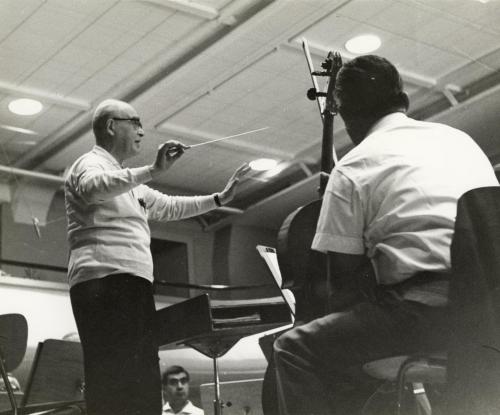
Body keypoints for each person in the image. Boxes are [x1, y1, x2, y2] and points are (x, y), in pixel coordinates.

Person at [273, 55, 499, 415]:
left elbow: (342, 289)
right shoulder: (460, 141)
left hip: (430, 315)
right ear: (403, 99)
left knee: (293, 349)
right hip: (490, 313)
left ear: (346, 116)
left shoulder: (352, 167)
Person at [65, 99, 250, 415]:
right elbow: (94, 188)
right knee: (116, 378)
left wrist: (221, 198)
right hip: (104, 283)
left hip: (129, 285)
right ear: (111, 126)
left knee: (141, 376)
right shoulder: (89, 164)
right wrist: (152, 170)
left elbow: (171, 206)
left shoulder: (128, 180)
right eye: (134, 121)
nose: (142, 130)